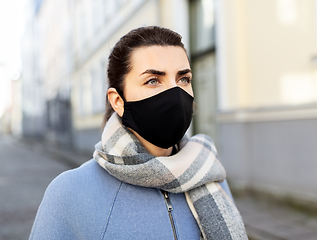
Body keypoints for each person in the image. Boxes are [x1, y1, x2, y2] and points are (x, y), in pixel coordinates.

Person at [29, 26, 247, 240]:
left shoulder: (207, 171)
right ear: (118, 101)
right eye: (153, 80)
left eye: (183, 79)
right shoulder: (70, 193)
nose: (176, 94)